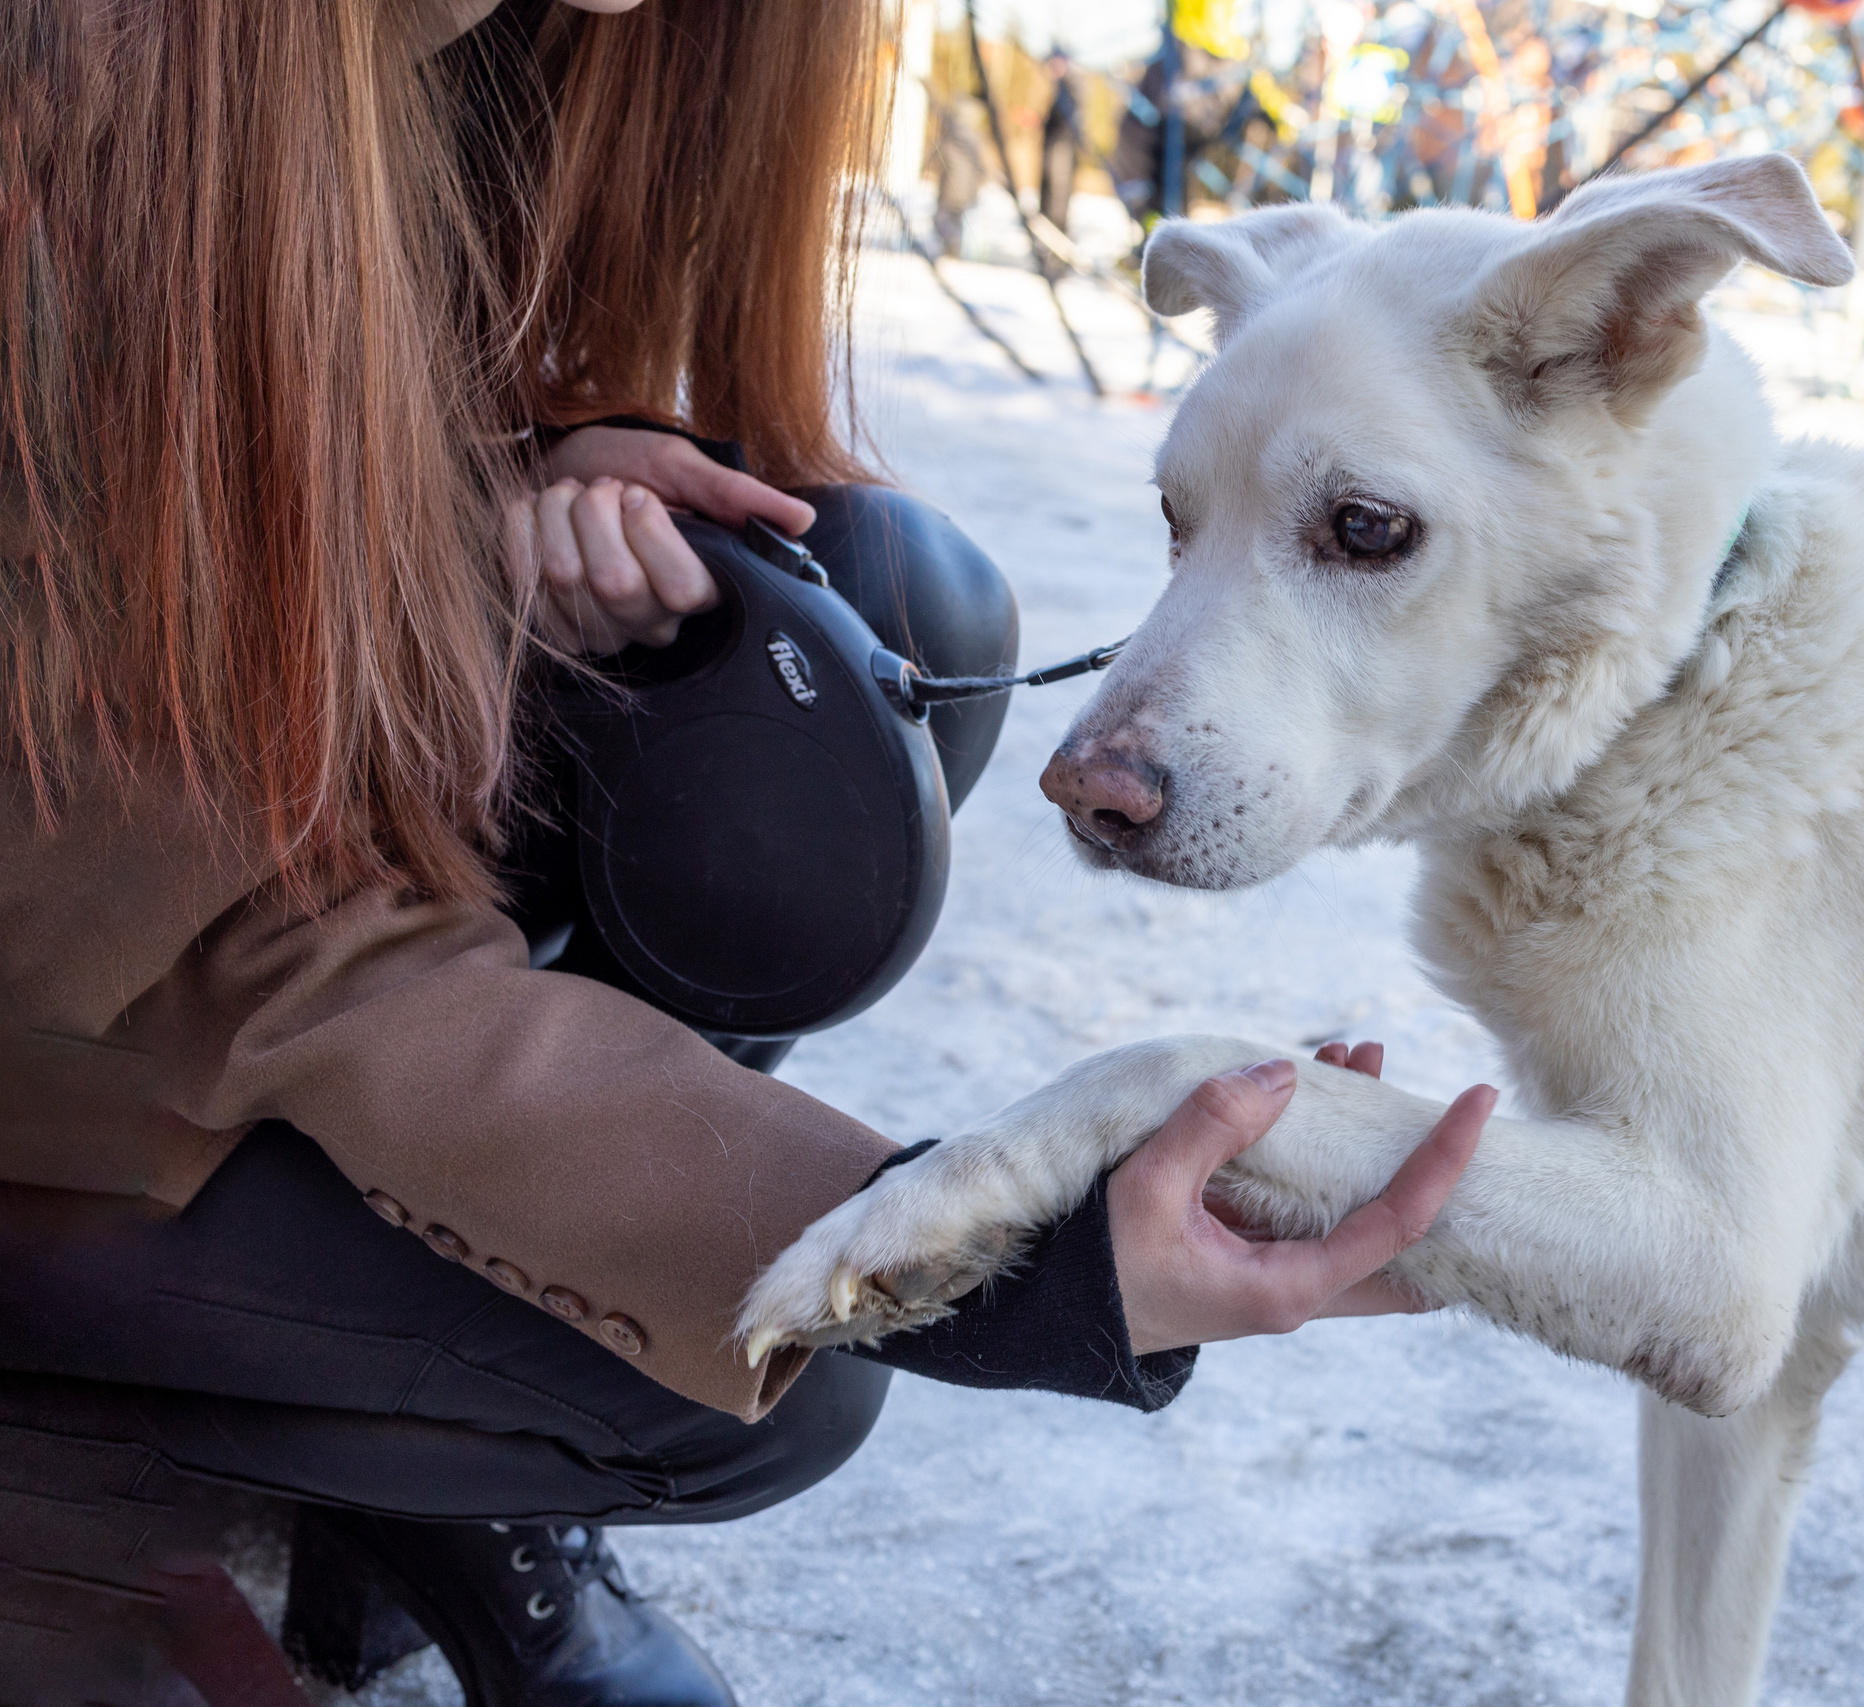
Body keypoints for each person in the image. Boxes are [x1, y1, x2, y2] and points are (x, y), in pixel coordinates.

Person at [0, 4, 1492, 1705]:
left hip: (234, 822)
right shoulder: (84, 88)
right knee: (779, 1359)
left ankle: (425, 1430)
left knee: (865, 602)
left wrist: (509, 490)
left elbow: (266, 481)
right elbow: (238, 942)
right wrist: (974, 1248)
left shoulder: (576, 41)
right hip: (79, 968)